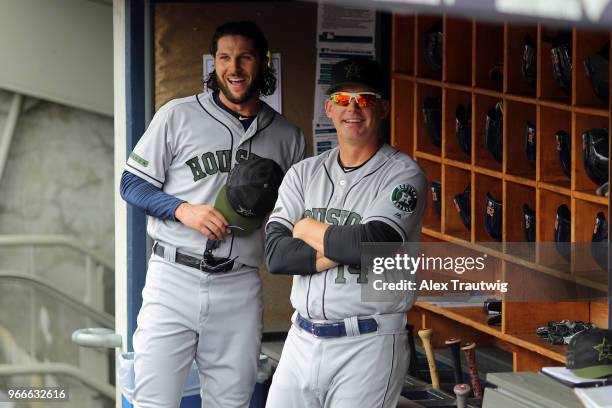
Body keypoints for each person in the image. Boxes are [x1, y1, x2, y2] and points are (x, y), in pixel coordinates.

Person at [120, 21, 305, 408]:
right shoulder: (177, 115)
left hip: (238, 285)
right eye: (224, 57)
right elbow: (131, 184)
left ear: (263, 63)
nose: (234, 68)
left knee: (231, 403)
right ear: (213, 64)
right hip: (173, 277)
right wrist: (182, 209)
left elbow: (295, 215)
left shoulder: (288, 137)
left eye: (244, 57)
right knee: (153, 401)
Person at [264, 57, 427, 408]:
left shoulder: (403, 175)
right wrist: (339, 246)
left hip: (368, 342)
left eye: (365, 99)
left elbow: (372, 244)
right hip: (301, 339)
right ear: (329, 108)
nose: (353, 108)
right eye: (342, 99)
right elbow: (277, 256)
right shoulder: (302, 174)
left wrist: (305, 227)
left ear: (382, 109)